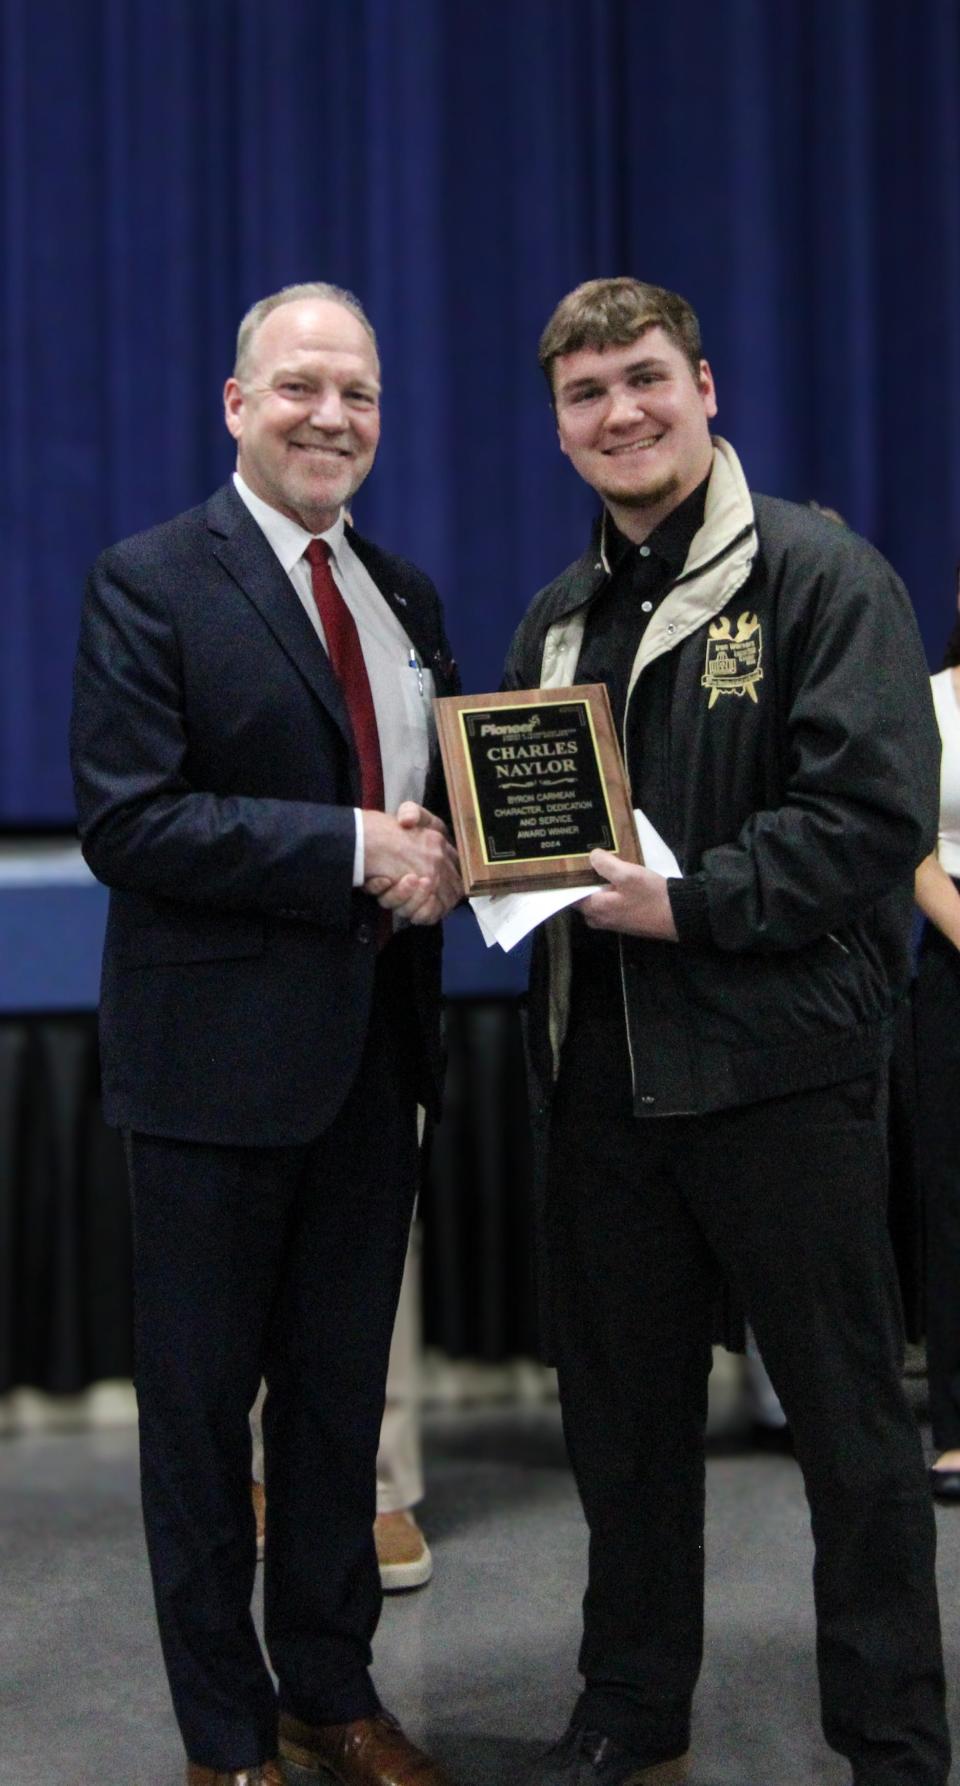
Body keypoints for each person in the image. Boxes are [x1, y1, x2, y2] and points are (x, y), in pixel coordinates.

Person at [503, 277, 950, 1786]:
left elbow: (872, 822)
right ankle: (632, 1705)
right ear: (558, 430)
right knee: (624, 1435)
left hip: (785, 1081)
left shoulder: (826, 576)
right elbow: (532, 825)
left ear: (709, 388)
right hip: (606, 1092)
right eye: (587, 395)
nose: (620, 413)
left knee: (852, 1438)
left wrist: (687, 907)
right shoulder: (555, 619)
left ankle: (893, 1740)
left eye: (645, 380)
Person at [70, 281, 463, 1786]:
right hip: (207, 1079)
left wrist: (472, 854)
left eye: (357, 393)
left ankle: (332, 1694)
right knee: (197, 1431)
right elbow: (130, 816)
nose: (331, 416)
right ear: (236, 405)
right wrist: (358, 847)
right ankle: (225, 1740)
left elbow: (434, 805)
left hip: (373, 1068)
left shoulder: (409, 596)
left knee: (337, 1411)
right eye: (300, 387)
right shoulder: (149, 580)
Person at [914, 582, 960, 1502]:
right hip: (951, 953)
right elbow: (910, 848)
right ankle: (956, 1424)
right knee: (955, 1192)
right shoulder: (929, 698)